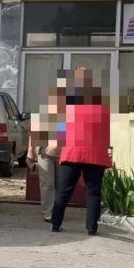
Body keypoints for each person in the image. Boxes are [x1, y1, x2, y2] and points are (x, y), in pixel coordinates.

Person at [49, 68, 113, 234]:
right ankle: (92, 228)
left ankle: (55, 224)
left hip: (73, 152)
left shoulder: (68, 104)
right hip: (95, 154)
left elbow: (61, 126)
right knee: (93, 192)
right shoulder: (103, 106)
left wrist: (55, 143)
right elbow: (106, 132)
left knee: (64, 190)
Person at [28, 86, 65, 223]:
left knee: (61, 184)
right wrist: (30, 150)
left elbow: (69, 134)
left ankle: (58, 210)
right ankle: (48, 212)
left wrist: (57, 144)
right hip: (44, 153)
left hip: (62, 154)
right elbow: (34, 133)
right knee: (47, 183)